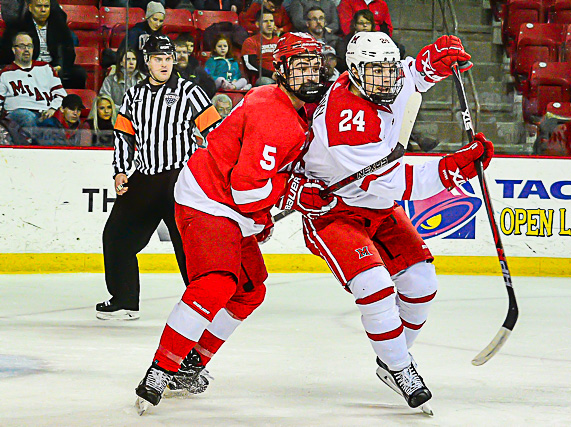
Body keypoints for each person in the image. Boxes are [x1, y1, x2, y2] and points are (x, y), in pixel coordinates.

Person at [133, 33, 332, 414]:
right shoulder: (276, 115)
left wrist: (263, 212)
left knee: (250, 290)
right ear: (281, 69)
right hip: (208, 199)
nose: (310, 74)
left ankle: (190, 364)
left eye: (314, 65)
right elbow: (247, 191)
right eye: (300, 65)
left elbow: (259, 180)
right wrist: (290, 194)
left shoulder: (286, 104)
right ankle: (161, 368)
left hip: (231, 205)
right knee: (216, 282)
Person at [291, 32, 490, 410]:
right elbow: (389, 181)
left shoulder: (379, 79)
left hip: (379, 208)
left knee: (422, 284)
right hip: (334, 211)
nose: (386, 77)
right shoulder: (344, 118)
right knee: (375, 287)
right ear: (354, 71)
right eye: (376, 71)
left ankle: (391, 359)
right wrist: (452, 169)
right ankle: (401, 368)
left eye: (388, 68)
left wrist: (432, 62)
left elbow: (410, 76)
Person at [96, 35, 220, 321]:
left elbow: (216, 131)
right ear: (147, 62)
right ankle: (124, 300)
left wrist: (216, 171)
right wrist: (121, 170)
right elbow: (124, 135)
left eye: (168, 59)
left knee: (189, 247)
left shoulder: (189, 91)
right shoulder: (134, 95)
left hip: (180, 180)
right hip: (145, 177)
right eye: (157, 59)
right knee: (116, 237)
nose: (164, 64)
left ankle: (205, 303)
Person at [0, 0, 86, 89]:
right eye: (39, 6)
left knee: (79, 74)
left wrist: (59, 67)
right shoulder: (18, 26)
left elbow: (68, 52)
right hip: (28, 68)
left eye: (46, 6)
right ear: (30, 8)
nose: (43, 10)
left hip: (53, 67)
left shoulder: (59, 25)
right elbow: (6, 54)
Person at [0, 32, 66, 143]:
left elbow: (61, 93)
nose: (26, 50)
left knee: (51, 124)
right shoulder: (5, 73)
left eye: (29, 46)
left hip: (44, 114)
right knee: (26, 116)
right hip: (16, 116)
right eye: (22, 46)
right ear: (13, 49)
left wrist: (52, 108)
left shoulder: (46, 68)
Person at [120, 1, 166, 67]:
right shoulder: (135, 33)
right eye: (155, 19)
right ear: (147, 17)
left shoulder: (162, 36)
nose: (158, 24)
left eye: (161, 21)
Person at [241, 11, 281, 86]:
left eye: (271, 21)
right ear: (257, 24)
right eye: (265, 21)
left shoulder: (280, 41)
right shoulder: (250, 42)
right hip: (263, 78)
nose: (269, 24)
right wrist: (271, 74)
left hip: (281, 76)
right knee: (269, 84)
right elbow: (250, 64)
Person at [99, 47, 145, 112]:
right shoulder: (109, 80)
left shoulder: (144, 80)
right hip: (117, 114)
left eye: (134, 59)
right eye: (128, 59)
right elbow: (104, 101)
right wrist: (123, 110)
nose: (131, 62)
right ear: (121, 63)